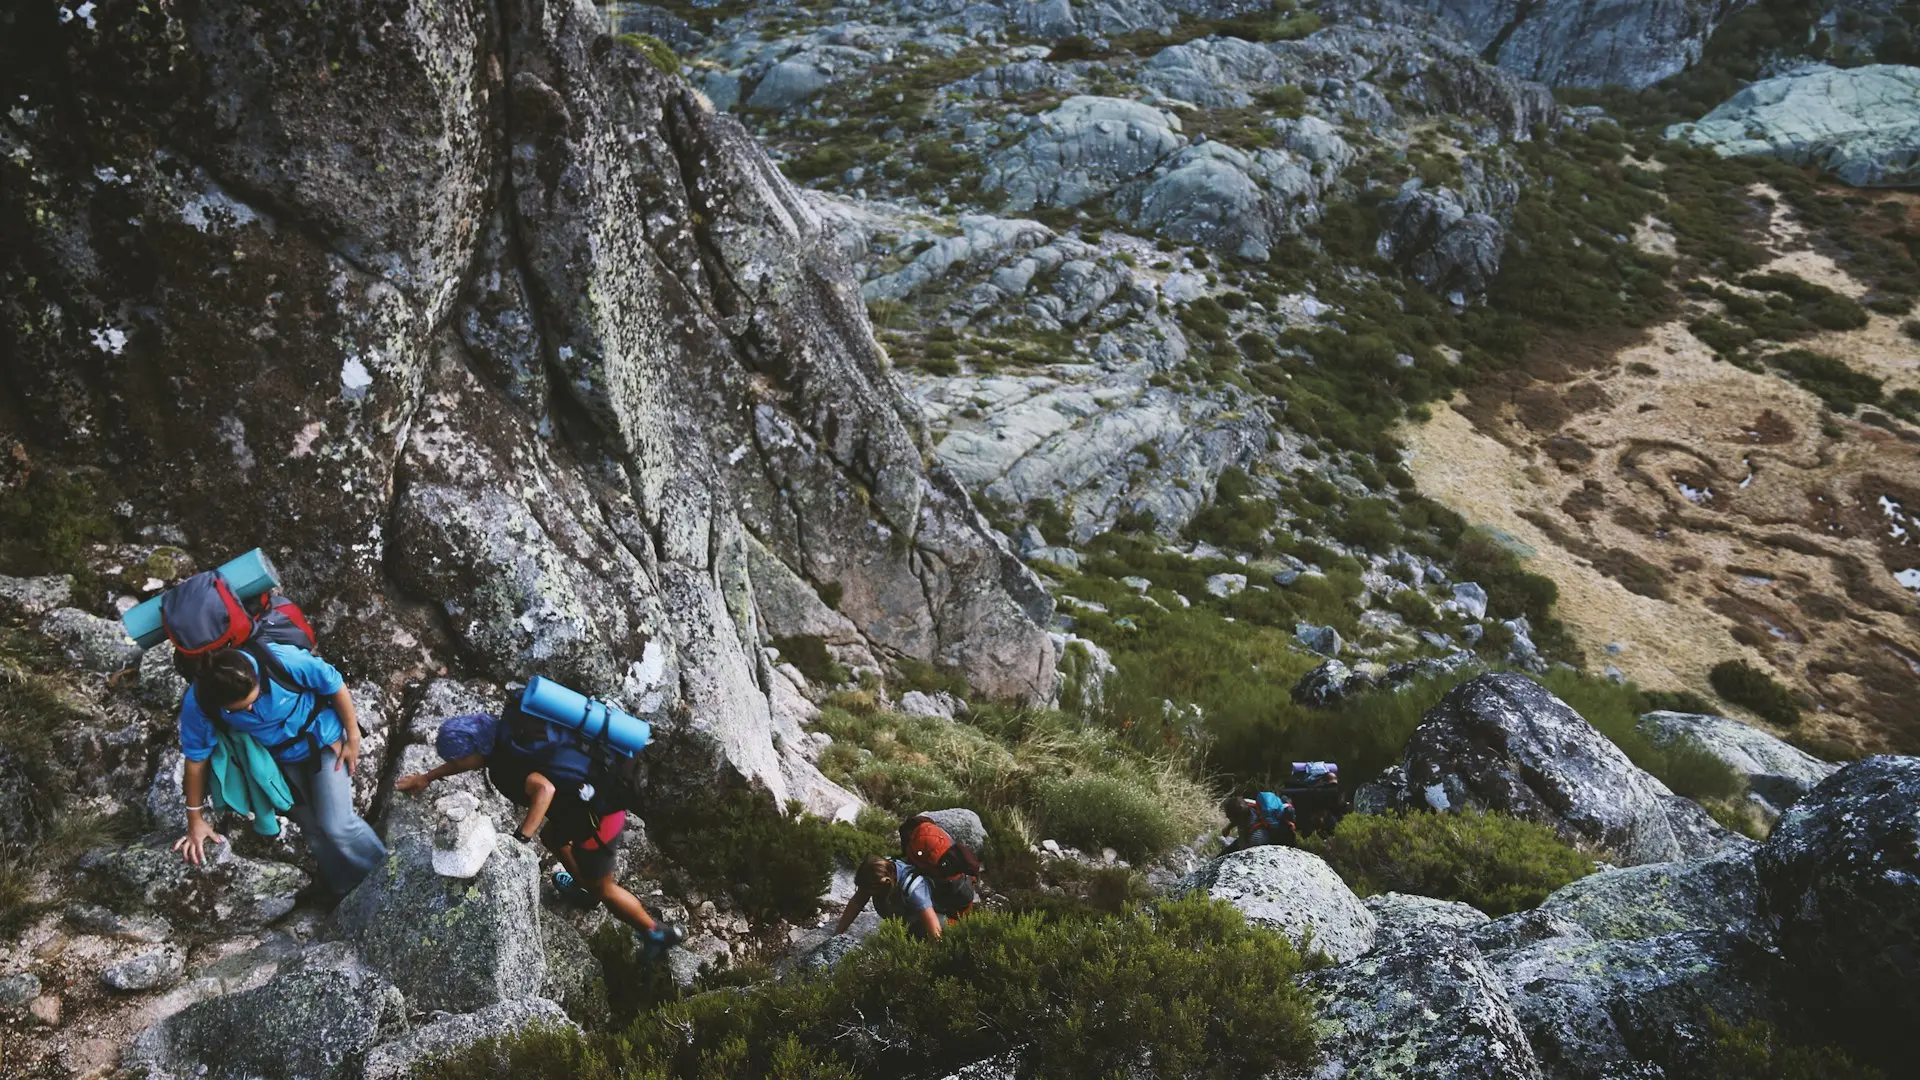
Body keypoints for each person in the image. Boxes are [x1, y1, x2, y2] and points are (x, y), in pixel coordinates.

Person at [394, 704, 683, 955]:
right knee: (554, 837)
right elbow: (468, 760)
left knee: (606, 888)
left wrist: (520, 840)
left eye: (458, 758)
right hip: (581, 804)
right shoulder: (505, 729)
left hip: (602, 813)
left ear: (475, 750)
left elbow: (545, 789)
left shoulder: (506, 764)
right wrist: (427, 777)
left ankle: (657, 932)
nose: (457, 764)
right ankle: (586, 890)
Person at [173, 646, 386, 899]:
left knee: (337, 823)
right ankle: (345, 892)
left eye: (256, 698)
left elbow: (333, 683)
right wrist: (195, 820)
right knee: (312, 830)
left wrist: (353, 736)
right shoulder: (199, 704)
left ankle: (388, 877)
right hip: (278, 763)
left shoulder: (280, 660)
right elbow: (196, 760)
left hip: (323, 741)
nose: (252, 711)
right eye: (240, 710)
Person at [834, 854, 948, 940]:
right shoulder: (881, 870)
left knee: (935, 925)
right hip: (909, 916)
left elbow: (934, 929)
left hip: (937, 917)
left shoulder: (914, 889)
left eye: (871, 891)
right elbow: (857, 902)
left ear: (886, 883)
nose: (867, 894)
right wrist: (838, 933)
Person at [1220, 791, 1297, 852]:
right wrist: (1228, 828)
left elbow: (1250, 853)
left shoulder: (1256, 836)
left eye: (1230, 817)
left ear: (1238, 819)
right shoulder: (1247, 805)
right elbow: (1237, 817)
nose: (1229, 819)